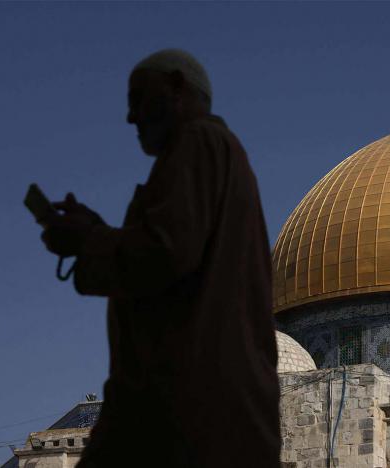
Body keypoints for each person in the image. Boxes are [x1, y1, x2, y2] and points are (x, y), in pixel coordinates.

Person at [40, 49, 280, 468]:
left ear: (175, 87)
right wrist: (98, 233)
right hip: (198, 404)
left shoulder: (199, 142)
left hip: (183, 404)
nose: (131, 117)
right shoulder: (215, 155)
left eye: (137, 99)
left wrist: (89, 239)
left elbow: (164, 255)